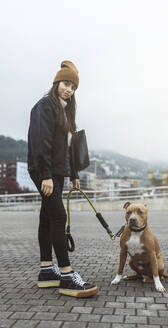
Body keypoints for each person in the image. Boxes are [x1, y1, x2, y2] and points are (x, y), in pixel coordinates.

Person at [27, 60, 98, 298]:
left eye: (73, 87)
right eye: (66, 84)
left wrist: (74, 174)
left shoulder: (65, 111)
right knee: (59, 216)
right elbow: (41, 142)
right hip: (43, 170)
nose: (69, 89)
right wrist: (45, 175)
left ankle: (47, 271)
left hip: (56, 171)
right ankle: (67, 275)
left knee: (47, 217)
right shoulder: (44, 106)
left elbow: (68, 148)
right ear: (57, 82)